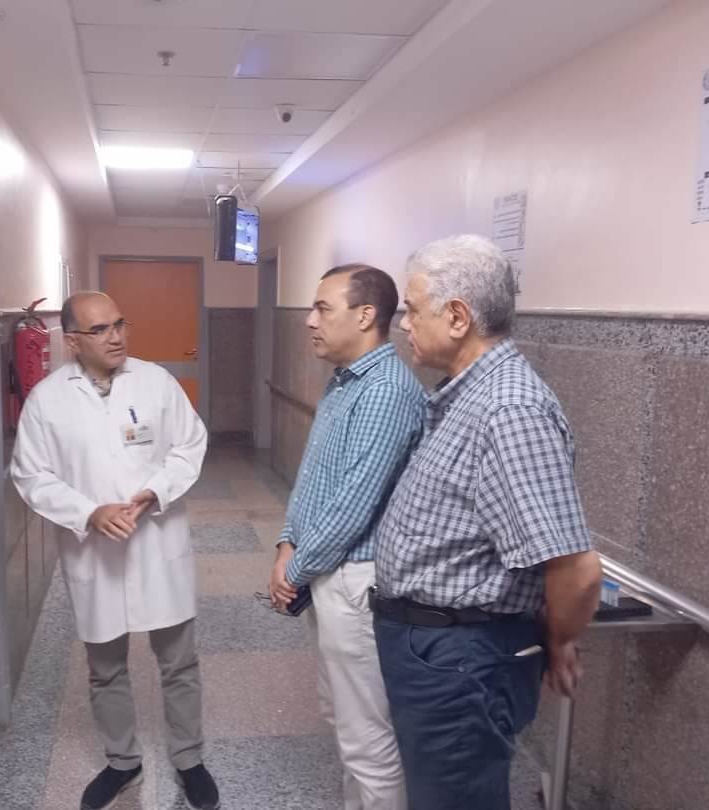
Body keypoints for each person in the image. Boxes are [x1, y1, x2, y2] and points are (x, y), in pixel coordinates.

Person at [370, 235, 603, 810]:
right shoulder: (467, 396)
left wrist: (559, 637)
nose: (404, 324)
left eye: (412, 310)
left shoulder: (509, 409)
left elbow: (576, 569)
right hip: (434, 649)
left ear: (457, 317)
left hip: (461, 659)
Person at [11, 292, 219, 810]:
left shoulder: (156, 382)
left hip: (158, 541)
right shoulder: (47, 400)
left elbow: (190, 444)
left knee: (179, 662)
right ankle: (122, 760)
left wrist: (156, 491)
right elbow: (31, 474)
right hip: (94, 552)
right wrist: (88, 513)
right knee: (105, 667)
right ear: (72, 341)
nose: (116, 337)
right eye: (100, 330)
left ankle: (189, 758)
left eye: (119, 325)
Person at [268, 264, 425, 810]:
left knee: (367, 737)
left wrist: (293, 569)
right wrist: (287, 542)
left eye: (322, 308)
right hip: (325, 570)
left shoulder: (385, 391)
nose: (309, 321)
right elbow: (315, 477)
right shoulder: (346, 380)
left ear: (365, 316)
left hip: (355, 580)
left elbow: (353, 504)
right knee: (341, 715)